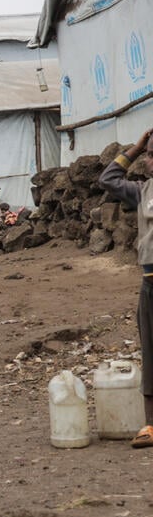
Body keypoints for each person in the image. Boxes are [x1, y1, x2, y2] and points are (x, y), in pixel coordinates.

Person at [100, 126, 153, 447]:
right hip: (150, 283)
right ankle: (151, 426)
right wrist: (135, 148)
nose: (152, 161)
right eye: (150, 155)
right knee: (151, 353)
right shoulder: (142, 191)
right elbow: (107, 180)